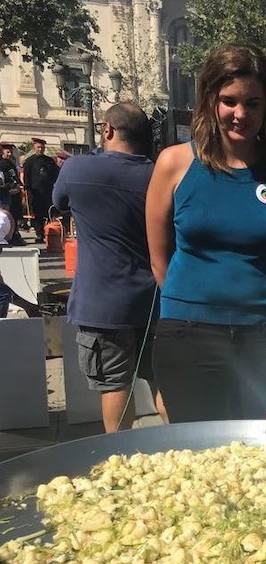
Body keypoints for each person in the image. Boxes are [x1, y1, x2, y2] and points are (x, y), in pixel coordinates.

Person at [146, 44, 266, 422]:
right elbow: (158, 258)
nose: (240, 114)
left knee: (258, 456)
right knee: (194, 455)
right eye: (229, 101)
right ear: (210, 101)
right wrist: (196, 303)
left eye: (253, 103)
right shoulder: (174, 163)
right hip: (188, 335)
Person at [52, 103, 164, 433]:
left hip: (102, 305)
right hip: (158, 299)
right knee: (163, 381)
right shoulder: (160, 173)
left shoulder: (77, 170)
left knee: (115, 384)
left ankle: (120, 457)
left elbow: (58, 203)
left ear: (107, 130)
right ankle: (179, 450)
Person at [22, 137, 59, 243]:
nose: (40, 149)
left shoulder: (49, 161)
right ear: (34, 147)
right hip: (35, 192)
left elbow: (55, 175)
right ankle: (39, 234)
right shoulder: (29, 161)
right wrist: (27, 189)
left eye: (42, 148)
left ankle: (50, 233)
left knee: (48, 213)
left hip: (48, 192)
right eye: (38, 147)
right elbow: (26, 177)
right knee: (37, 214)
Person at [0, 143, 23, 227]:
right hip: (6, 192)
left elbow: (14, 176)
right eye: (8, 152)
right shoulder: (1, 164)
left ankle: (15, 231)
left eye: (11, 152)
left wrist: (19, 184)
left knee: (15, 213)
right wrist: (11, 185)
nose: (10, 154)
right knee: (6, 215)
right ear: (3, 152)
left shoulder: (11, 164)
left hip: (15, 192)